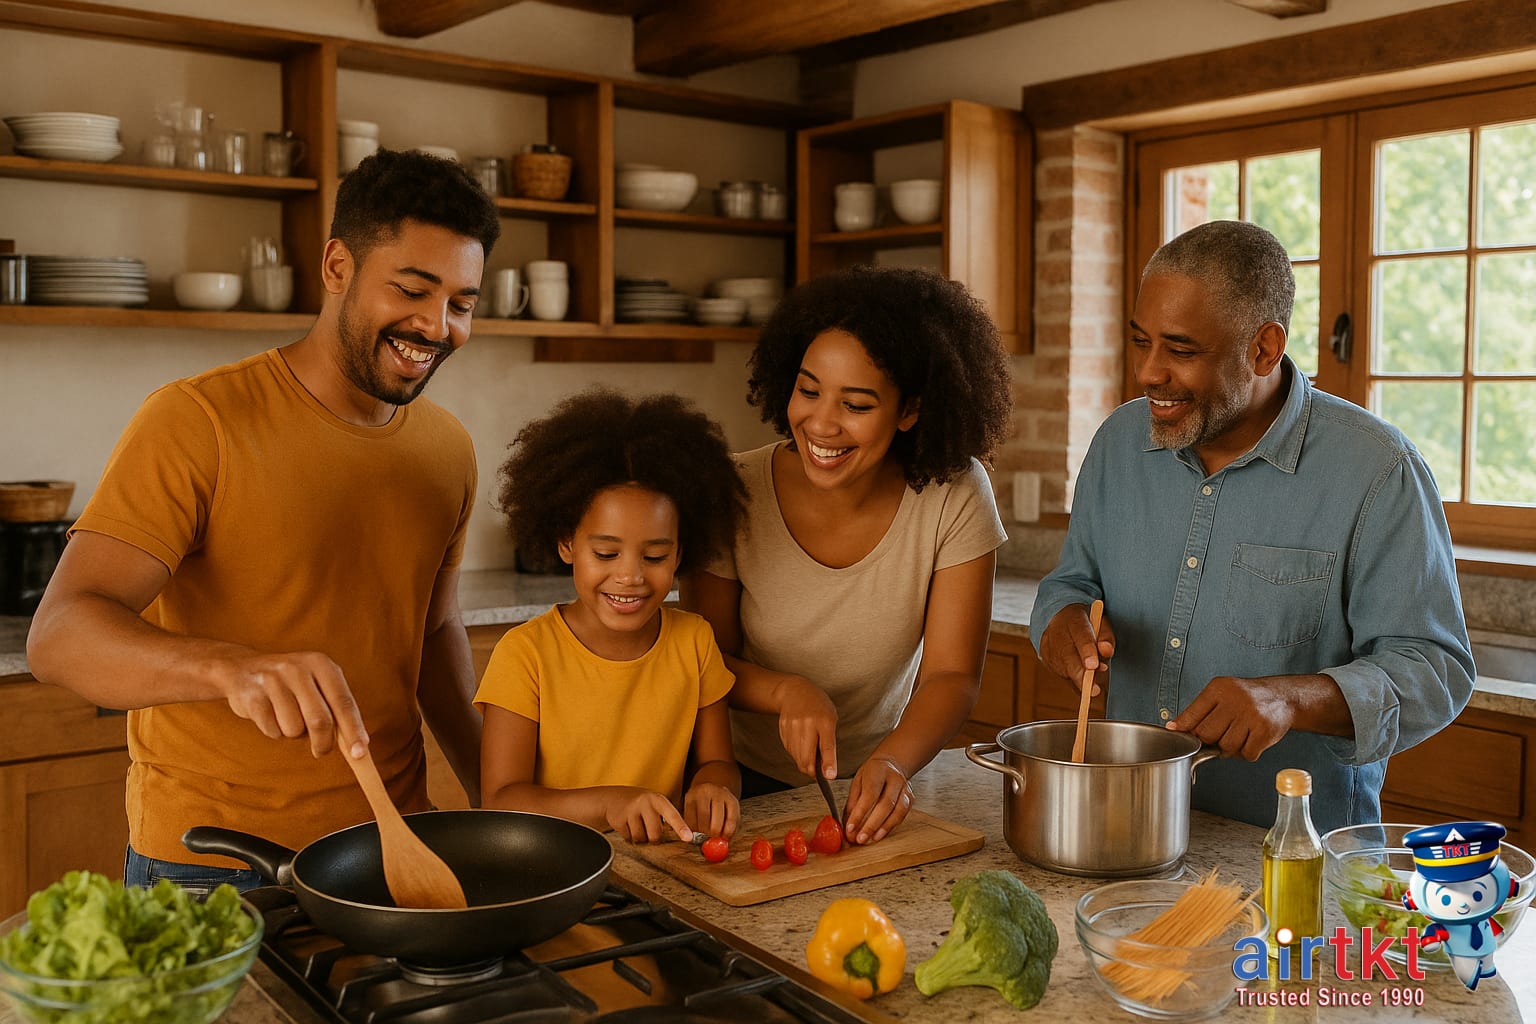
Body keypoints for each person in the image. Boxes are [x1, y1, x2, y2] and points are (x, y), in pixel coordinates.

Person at [26, 148, 501, 889]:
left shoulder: (448, 450)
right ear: (338, 266)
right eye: (412, 290)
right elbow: (59, 635)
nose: (436, 326)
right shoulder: (198, 420)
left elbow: (434, 630)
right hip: (212, 862)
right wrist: (231, 668)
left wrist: (492, 792)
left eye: (462, 304)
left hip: (392, 843)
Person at [1031, 219, 1474, 833]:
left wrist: (1289, 698)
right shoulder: (1117, 444)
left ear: (1265, 348)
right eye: (1141, 341)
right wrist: (1059, 621)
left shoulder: (1377, 471)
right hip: (1127, 832)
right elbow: (1070, 584)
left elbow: (1435, 669)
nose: (1148, 373)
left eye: (1181, 350)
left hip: (1298, 855)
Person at [684, 265, 1013, 846]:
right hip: (736, 785)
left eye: (856, 405)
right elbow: (702, 661)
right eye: (808, 391)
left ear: (909, 411)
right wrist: (788, 691)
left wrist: (893, 764)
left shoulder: (955, 494)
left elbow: (952, 674)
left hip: (883, 779)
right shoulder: (730, 489)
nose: (821, 423)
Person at [477, 388, 746, 843]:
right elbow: (501, 800)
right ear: (567, 544)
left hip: (661, 869)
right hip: (558, 874)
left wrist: (714, 788)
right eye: (606, 552)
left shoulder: (694, 641)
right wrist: (610, 803)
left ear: (681, 553)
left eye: (655, 557)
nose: (629, 577)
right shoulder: (525, 654)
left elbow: (717, 762)